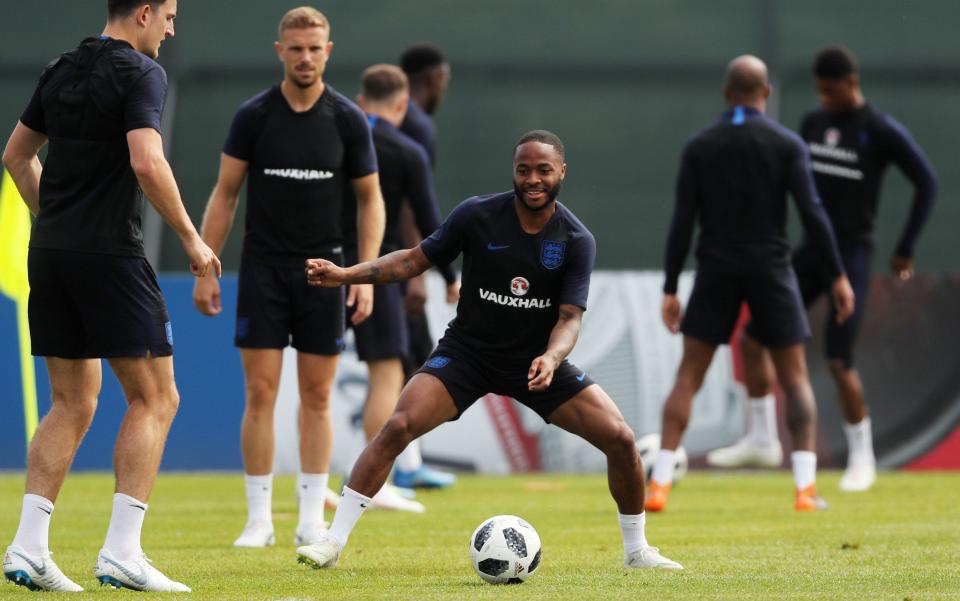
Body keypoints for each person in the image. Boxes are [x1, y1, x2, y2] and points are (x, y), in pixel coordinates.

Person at [297, 130, 683, 571]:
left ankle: (637, 551)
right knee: (398, 425)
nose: (532, 179)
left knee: (621, 439)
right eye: (524, 170)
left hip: (536, 363)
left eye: (543, 170)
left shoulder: (576, 239)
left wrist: (552, 358)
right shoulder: (477, 215)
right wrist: (346, 275)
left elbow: (570, 318)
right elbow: (412, 260)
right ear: (514, 171)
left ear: (562, 172)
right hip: (467, 355)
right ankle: (332, 541)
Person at [2, 0, 219, 592]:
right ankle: (123, 551)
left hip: (49, 256)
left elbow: (15, 156)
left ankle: (27, 548)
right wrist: (193, 241)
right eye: (170, 15)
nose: (173, 29)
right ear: (144, 13)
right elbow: (147, 162)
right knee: (157, 397)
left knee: (71, 402)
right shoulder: (142, 72)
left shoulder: (60, 67)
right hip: (109, 256)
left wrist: (55, 219)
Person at [192, 7, 385, 548]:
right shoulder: (253, 116)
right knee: (259, 391)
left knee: (318, 396)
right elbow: (225, 194)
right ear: (281, 51)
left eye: (314, 48)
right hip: (263, 270)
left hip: (324, 272)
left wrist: (363, 274)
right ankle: (258, 520)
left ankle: (309, 518)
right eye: (295, 48)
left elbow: (371, 201)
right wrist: (207, 265)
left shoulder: (348, 119)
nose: (305, 57)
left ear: (329, 51)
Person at [706, 46, 938, 492]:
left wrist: (905, 247)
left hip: (851, 256)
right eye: (820, 92)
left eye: (831, 91)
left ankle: (863, 458)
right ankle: (761, 438)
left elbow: (927, 182)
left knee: (838, 358)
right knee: (752, 339)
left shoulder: (878, 129)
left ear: (851, 83)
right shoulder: (814, 123)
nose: (825, 99)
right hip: (810, 252)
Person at [645, 56, 854, 514]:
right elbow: (813, 214)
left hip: (716, 268)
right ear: (766, 93)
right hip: (771, 269)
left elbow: (683, 222)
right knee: (794, 377)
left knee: (688, 376)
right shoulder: (786, 144)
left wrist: (670, 286)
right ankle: (804, 489)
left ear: (726, 94)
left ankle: (658, 483)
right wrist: (838, 274)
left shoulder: (700, 145)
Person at [338, 64, 461, 512]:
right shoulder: (406, 149)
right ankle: (376, 481)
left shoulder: (337, 136)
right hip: (374, 270)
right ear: (403, 104)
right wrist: (449, 278)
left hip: (324, 262)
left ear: (360, 96)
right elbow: (430, 222)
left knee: (314, 380)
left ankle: (307, 487)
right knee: (387, 372)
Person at [388, 42, 459, 490]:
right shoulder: (416, 125)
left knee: (402, 356)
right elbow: (413, 203)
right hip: (399, 257)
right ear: (434, 77)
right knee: (405, 357)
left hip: (375, 253)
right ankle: (403, 464)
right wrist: (420, 271)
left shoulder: (395, 120)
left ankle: (408, 461)